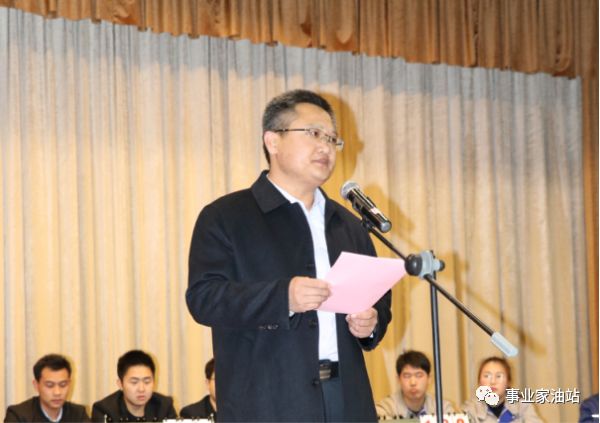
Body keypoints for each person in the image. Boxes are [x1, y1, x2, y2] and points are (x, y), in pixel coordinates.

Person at [186, 89, 392, 421]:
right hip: (267, 402)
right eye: (313, 133)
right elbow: (204, 298)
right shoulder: (226, 217)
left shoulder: (349, 225)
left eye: (332, 139)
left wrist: (371, 323)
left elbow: (379, 302)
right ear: (273, 141)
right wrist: (283, 297)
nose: (325, 147)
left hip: (346, 397)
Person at [91, 349, 177, 422]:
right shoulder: (104, 410)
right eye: (134, 382)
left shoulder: (164, 406)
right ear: (120, 384)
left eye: (147, 382)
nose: (141, 389)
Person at [4, 353, 90, 422]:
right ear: (36, 385)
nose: (57, 392)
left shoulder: (79, 414)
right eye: (50, 385)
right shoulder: (18, 415)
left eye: (63, 385)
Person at [376, 350, 454, 419]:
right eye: (407, 376)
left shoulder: (443, 409)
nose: (413, 382)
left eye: (419, 375)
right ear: (398, 379)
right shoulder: (385, 409)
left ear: (429, 378)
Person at [462, 356, 542, 422]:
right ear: (479, 382)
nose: (493, 381)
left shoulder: (522, 406)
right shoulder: (470, 409)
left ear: (508, 382)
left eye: (498, 376)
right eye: (487, 376)